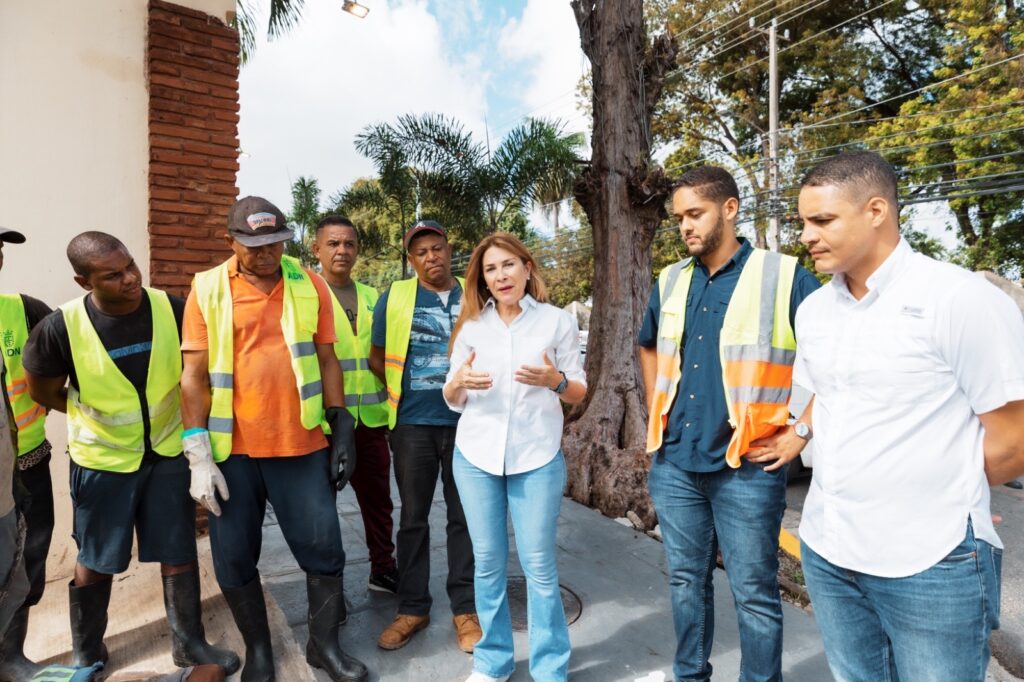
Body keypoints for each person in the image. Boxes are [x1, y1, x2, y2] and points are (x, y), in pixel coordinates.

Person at [764, 150, 1024, 681]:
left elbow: (1014, 437)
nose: (807, 235)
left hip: (930, 561)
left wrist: (954, 497)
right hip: (828, 549)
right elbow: (824, 398)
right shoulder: (814, 310)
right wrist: (798, 433)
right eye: (803, 223)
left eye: (822, 220)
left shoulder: (959, 298)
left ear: (876, 211)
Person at [21, 232, 238, 675]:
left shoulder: (171, 308)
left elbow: (197, 372)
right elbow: (42, 390)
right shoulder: (60, 327)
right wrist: (88, 412)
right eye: (112, 275)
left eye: (130, 266)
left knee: (177, 549)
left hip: (165, 453)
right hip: (102, 462)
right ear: (84, 281)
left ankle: (190, 645)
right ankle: (88, 651)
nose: (130, 279)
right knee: (97, 559)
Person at [638, 166, 820, 682]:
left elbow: (840, 360)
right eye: (679, 218)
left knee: (755, 594)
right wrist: (658, 405)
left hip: (748, 465)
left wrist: (802, 430)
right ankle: (690, 676)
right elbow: (648, 343)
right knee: (684, 583)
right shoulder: (671, 279)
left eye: (695, 214)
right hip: (674, 463)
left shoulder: (784, 277)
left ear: (731, 209)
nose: (685, 227)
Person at [180, 196, 367, 682]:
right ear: (231, 241)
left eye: (275, 243)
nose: (267, 254)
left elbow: (328, 360)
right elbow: (193, 375)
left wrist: (340, 422)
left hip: (300, 445)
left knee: (325, 548)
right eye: (254, 245)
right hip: (232, 451)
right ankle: (259, 651)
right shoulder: (207, 289)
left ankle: (323, 647)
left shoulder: (310, 285)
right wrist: (197, 452)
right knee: (235, 555)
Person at [442, 233, 586, 682]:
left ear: (527, 267)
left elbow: (579, 392)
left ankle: (550, 668)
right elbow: (451, 395)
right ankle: (493, 662)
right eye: (490, 269)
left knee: (539, 567)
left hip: (536, 457)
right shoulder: (472, 327)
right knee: (487, 565)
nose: (500, 276)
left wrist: (554, 379)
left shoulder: (556, 322)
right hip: (476, 457)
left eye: (508, 265)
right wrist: (459, 380)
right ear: (482, 279)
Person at [368, 219, 480, 652]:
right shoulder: (394, 297)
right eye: (421, 252)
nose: (431, 257)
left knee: (463, 517)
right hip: (412, 424)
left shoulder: (476, 293)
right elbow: (377, 357)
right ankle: (412, 606)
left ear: (449, 248)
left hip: (469, 424)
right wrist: (405, 393)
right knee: (413, 518)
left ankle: (465, 609)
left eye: (437, 248)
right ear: (411, 259)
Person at [312, 215, 398, 594]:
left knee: (378, 502)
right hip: (324, 424)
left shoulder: (371, 296)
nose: (342, 250)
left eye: (348, 243)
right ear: (316, 250)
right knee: (321, 509)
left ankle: (383, 569)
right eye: (333, 243)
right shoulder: (306, 296)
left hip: (371, 421)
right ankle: (330, 589)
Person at [0, 226, 54, 681]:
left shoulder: (24, 309)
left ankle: (11, 653)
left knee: (27, 559)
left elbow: (70, 354)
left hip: (27, 462)